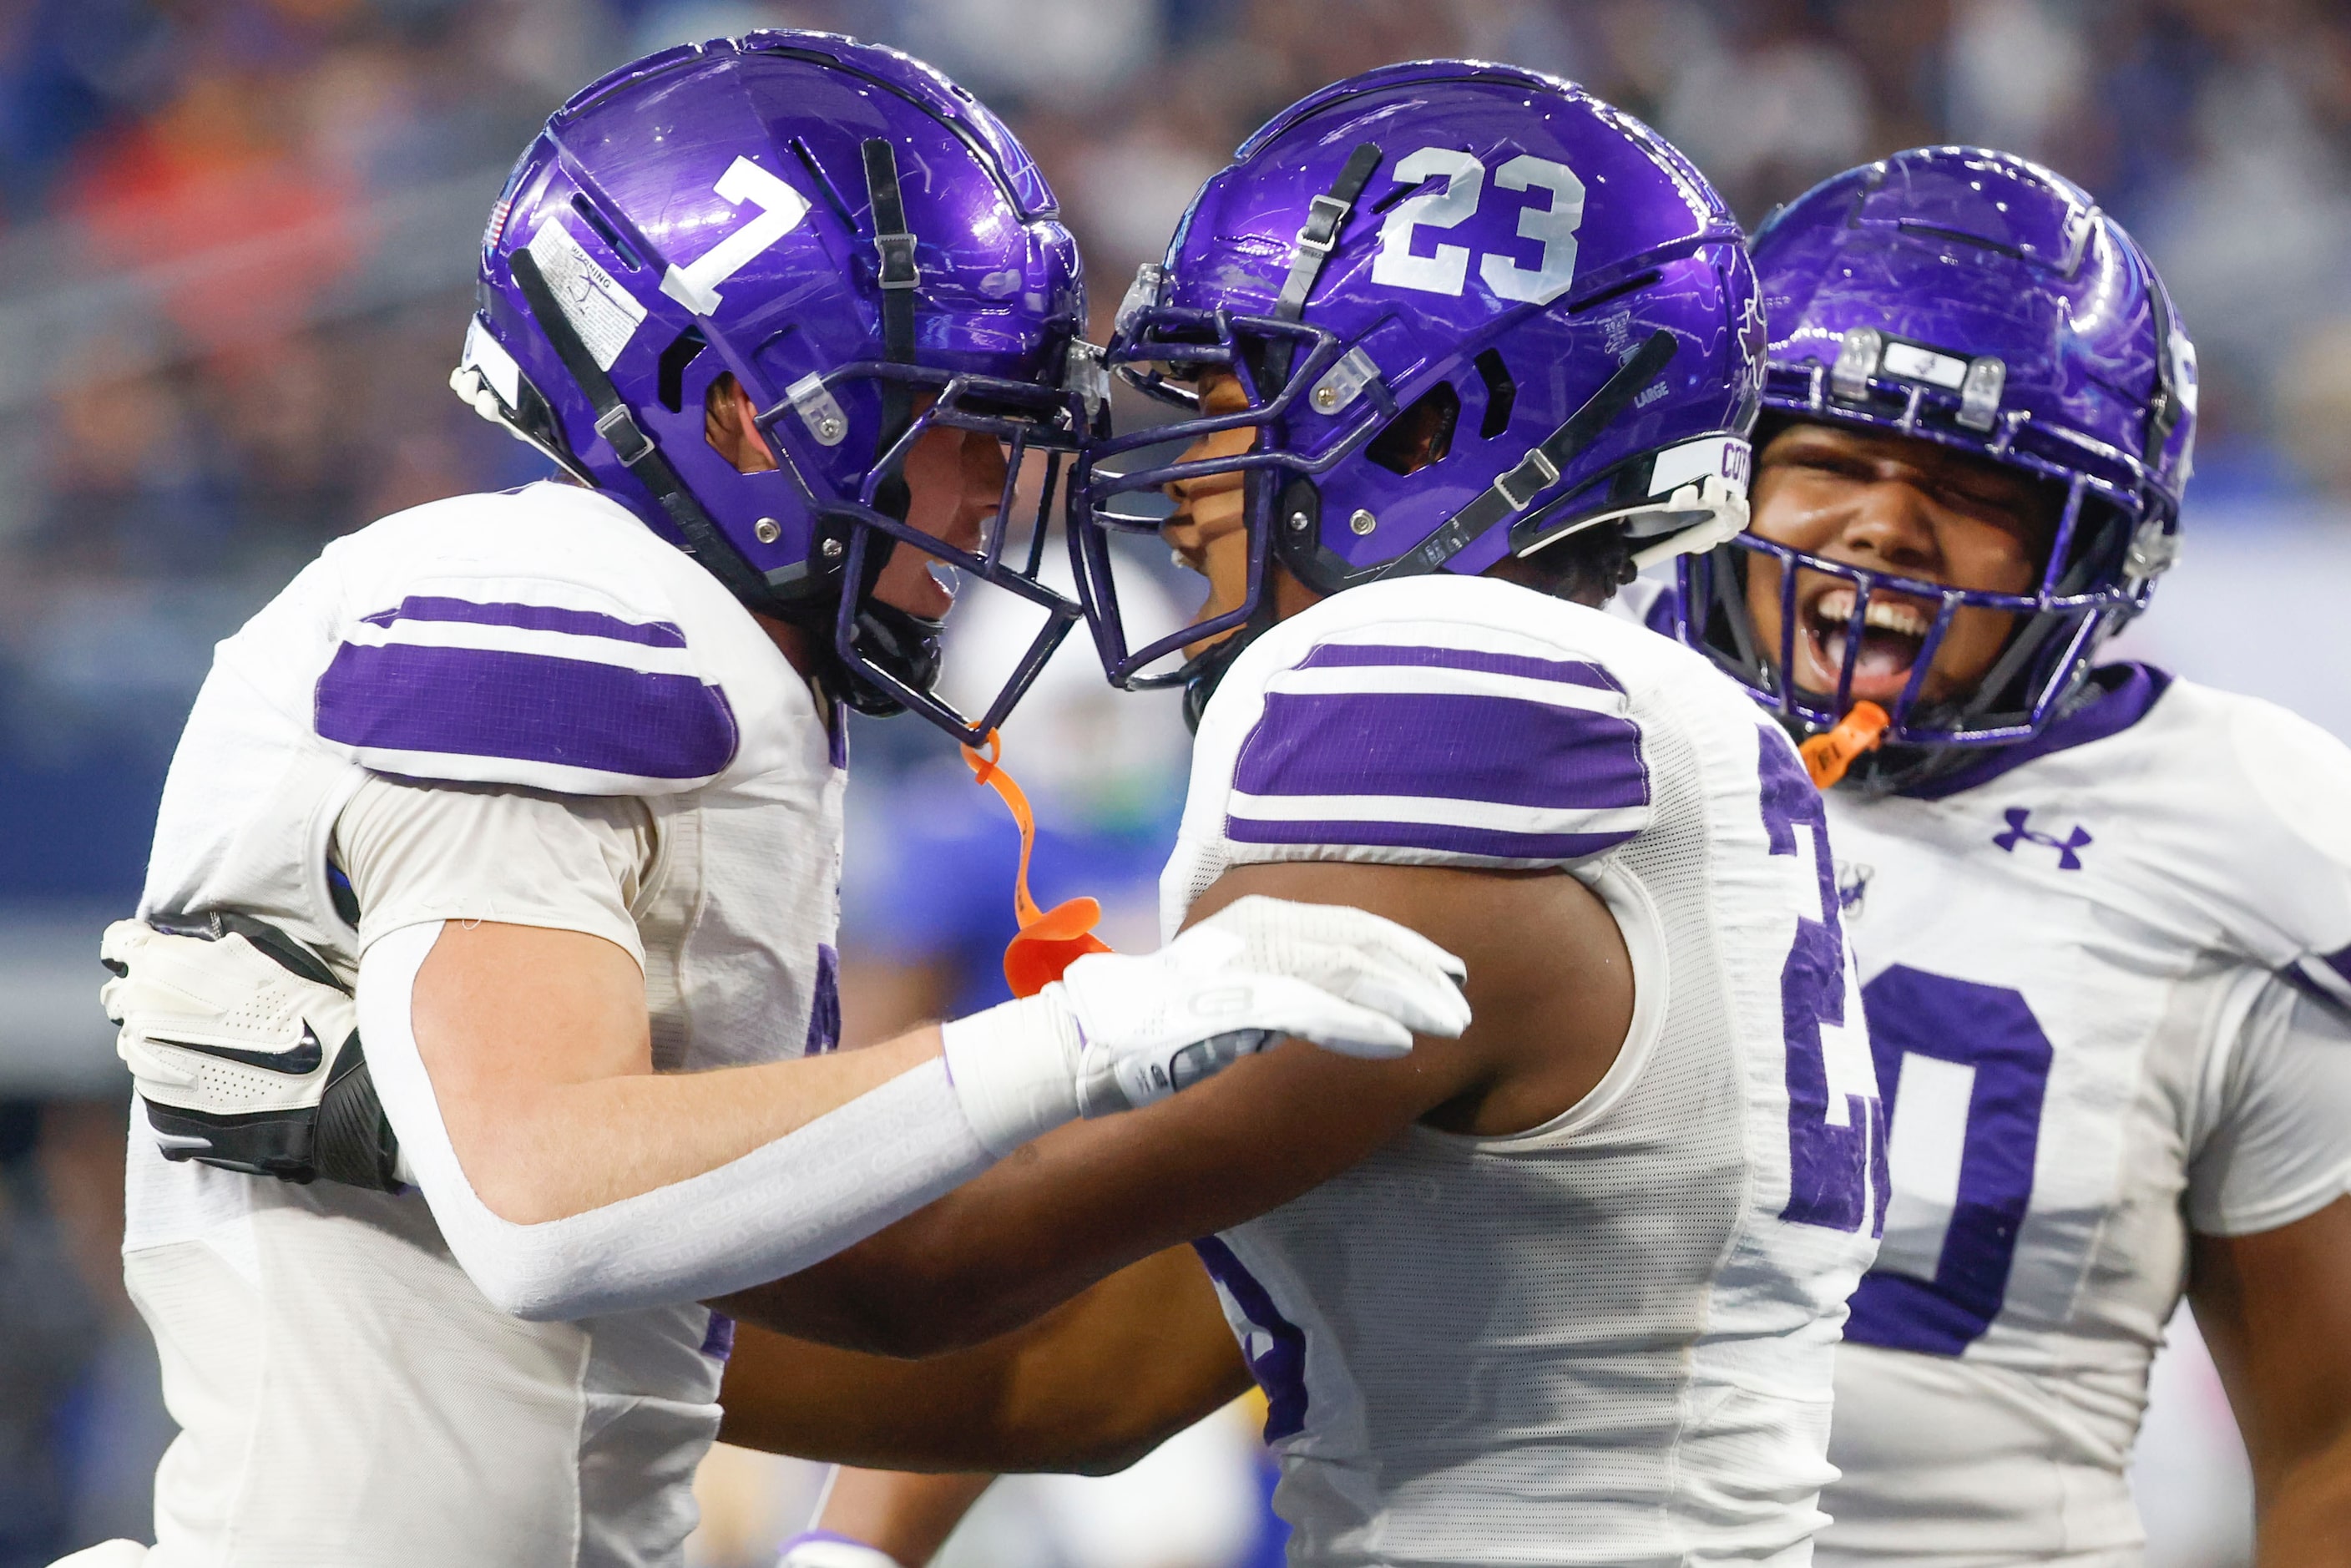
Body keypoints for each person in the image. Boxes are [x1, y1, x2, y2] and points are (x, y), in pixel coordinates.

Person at [77, 33, 1467, 1568]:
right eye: (957, 419)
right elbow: (548, 1209)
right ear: (740, 411)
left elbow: (910, 1311)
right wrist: (1088, 1034)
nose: (996, 486)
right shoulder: (541, 602)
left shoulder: (725, 675)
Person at [703, 59, 1883, 1567]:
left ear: (1426, 424)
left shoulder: (1425, 680)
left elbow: (969, 1274)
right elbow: (1087, 1363)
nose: (1183, 469)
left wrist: (485, 1191)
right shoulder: (1647, 729)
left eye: (1223, 396)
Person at [1661, 146, 2351, 1567]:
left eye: (1974, 488)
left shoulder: (2262, 837)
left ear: (2096, 543)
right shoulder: (1560, 723)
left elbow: (2335, 1450)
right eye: (1834, 459)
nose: (1881, 527)